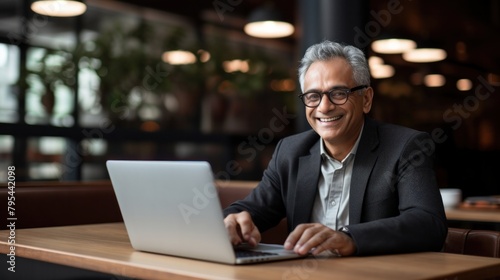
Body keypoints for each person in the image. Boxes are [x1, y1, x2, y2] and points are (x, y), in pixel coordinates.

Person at [223, 40, 447, 257]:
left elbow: (428, 224)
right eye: (313, 96)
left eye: (339, 93)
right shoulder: (290, 151)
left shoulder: (406, 147)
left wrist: (350, 238)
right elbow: (253, 210)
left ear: (366, 99)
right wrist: (232, 221)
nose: (324, 107)